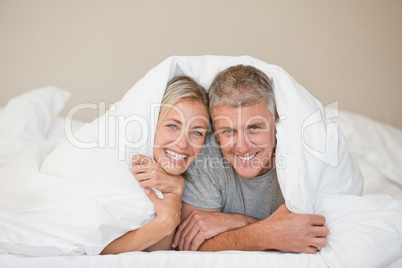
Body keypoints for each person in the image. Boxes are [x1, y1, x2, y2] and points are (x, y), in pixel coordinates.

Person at [172, 65, 329, 254]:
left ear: (276, 119)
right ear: (215, 130)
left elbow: (313, 234)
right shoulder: (204, 156)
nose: (243, 147)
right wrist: (267, 232)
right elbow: (192, 244)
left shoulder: (302, 157)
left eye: (254, 127)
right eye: (228, 131)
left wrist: (252, 229)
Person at [101, 75, 210, 254]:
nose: (183, 144)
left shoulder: (183, 179)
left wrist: (176, 190)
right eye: (173, 126)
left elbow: (157, 255)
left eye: (197, 132)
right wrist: (164, 224)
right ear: (151, 124)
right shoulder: (119, 163)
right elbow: (90, 251)